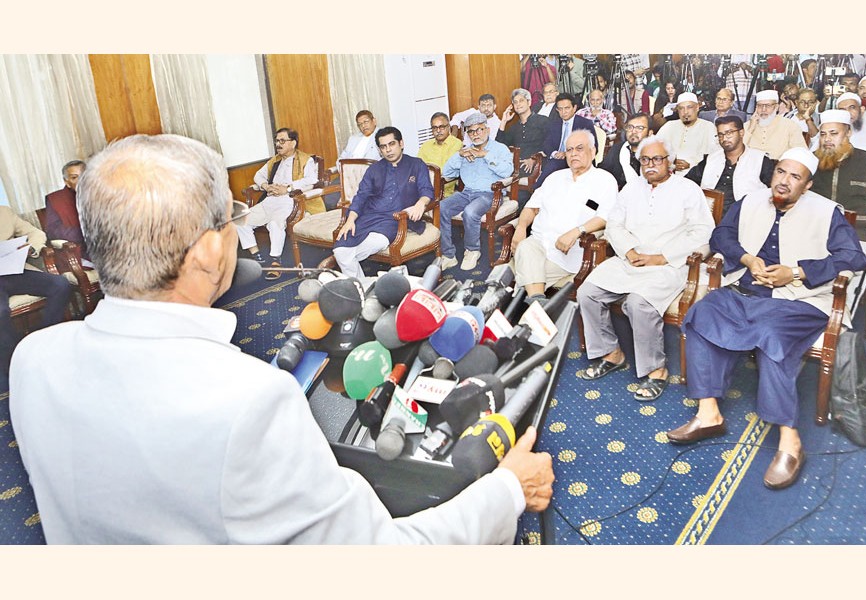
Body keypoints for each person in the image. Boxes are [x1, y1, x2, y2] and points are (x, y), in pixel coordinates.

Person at [9, 133, 554, 544]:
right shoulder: (249, 399)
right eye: (229, 221)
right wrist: (508, 488)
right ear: (208, 251)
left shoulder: (33, 361)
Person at [667, 147, 866, 490]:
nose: (784, 182)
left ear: (807, 185)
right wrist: (746, 258)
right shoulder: (751, 200)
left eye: (795, 177)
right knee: (702, 314)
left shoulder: (826, 212)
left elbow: (853, 256)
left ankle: (791, 441)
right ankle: (708, 413)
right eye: (781, 173)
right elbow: (721, 235)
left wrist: (797, 272)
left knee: (771, 336)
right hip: (746, 292)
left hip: (798, 301)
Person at [576, 136, 714, 400]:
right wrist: (628, 250)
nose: (650, 165)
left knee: (640, 303)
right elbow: (614, 225)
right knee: (588, 292)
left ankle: (656, 371)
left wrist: (662, 257)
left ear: (669, 162)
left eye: (657, 159)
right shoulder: (631, 189)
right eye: (645, 160)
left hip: (668, 265)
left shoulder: (688, 189)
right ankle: (611, 353)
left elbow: (703, 233)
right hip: (631, 259)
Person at [510, 130, 618, 303]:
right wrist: (521, 227)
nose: (573, 153)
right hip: (537, 243)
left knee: (517, 271)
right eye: (569, 150)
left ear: (593, 151)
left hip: (567, 253)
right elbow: (531, 207)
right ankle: (538, 303)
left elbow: (605, 217)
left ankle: (532, 302)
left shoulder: (605, 181)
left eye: (579, 148)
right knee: (525, 248)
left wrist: (577, 231)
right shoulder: (554, 177)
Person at [333, 127, 434, 279]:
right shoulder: (374, 169)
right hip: (369, 217)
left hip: (395, 219)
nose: (388, 150)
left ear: (401, 143)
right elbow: (361, 196)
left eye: (392, 144)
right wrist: (350, 220)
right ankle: (361, 286)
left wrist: (420, 204)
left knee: (361, 249)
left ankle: (360, 287)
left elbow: (427, 190)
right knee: (340, 251)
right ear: (380, 150)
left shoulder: (416, 164)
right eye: (383, 147)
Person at [235, 127, 319, 276]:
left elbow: (311, 181)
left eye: (282, 141)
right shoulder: (275, 161)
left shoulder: (306, 160)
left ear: (293, 143)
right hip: (270, 200)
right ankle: (257, 255)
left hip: (290, 200)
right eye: (277, 141)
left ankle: (275, 261)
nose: (278, 145)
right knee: (239, 219)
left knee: (275, 224)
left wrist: (287, 189)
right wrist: (265, 186)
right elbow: (258, 176)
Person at [1, 206, 71, 378]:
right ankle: (14, 359)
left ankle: (43, 339)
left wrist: (30, 248)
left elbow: (35, 233)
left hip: (14, 271)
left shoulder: (4, 212)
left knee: (60, 284)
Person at [439, 112, 514, 271]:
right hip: (467, 193)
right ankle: (448, 255)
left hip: (490, 194)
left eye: (479, 130)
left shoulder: (500, 149)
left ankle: (472, 251)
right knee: (442, 207)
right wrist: (459, 156)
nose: (476, 134)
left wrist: (485, 155)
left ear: (487, 130)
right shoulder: (466, 150)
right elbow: (446, 172)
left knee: (470, 212)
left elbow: (508, 171)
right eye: (471, 131)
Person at [810, 110, 866, 243]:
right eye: (823, 134)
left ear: (848, 133)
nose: (827, 139)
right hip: (817, 229)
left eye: (834, 133)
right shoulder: (812, 160)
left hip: (857, 232)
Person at [686, 115, 775, 216]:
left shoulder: (760, 160)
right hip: (711, 217)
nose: (724, 138)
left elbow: (775, 190)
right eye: (720, 135)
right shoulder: (711, 159)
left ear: (741, 133)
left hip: (746, 217)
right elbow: (687, 182)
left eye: (729, 133)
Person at [536, 93, 596, 186]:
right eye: (560, 109)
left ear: (574, 108)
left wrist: (567, 153)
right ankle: (540, 192)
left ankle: (537, 189)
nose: (563, 112)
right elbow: (546, 145)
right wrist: (555, 153)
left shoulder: (585, 124)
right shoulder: (553, 124)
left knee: (553, 165)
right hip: (557, 159)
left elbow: (593, 147)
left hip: (577, 160)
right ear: (557, 110)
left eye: (567, 108)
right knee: (553, 165)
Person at [656, 92, 719, 173]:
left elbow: (715, 156)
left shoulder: (708, 127)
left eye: (689, 107)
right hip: (669, 175)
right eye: (681, 108)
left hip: (697, 176)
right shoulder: (669, 126)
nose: (685, 112)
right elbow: (655, 150)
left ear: (697, 108)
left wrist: (691, 165)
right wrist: (670, 163)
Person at [44, 159, 89, 261]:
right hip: (83, 250)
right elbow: (53, 230)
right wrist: (88, 232)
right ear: (67, 182)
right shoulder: (56, 199)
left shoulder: (104, 192)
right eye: (74, 177)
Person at [743, 89, 806, 159]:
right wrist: (750, 129)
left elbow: (801, 153)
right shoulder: (747, 126)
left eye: (768, 105)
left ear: (776, 107)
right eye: (760, 106)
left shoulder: (790, 126)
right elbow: (736, 151)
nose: (763, 109)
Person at [599, 112, 651, 190]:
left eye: (639, 128)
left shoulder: (655, 153)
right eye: (630, 127)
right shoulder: (617, 149)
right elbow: (602, 174)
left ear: (650, 133)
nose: (633, 131)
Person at [418, 111, 464, 198]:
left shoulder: (456, 144)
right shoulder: (426, 145)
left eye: (442, 127)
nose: (438, 131)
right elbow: (417, 168)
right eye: (435, 128)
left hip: (442, 190)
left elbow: (447, 171)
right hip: (423, 188)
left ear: (448, 127)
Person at [834, 92, 866, 157]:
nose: (847, 113)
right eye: (842, 110)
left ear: (862, 110)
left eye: (852, 108)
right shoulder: (827, 135)